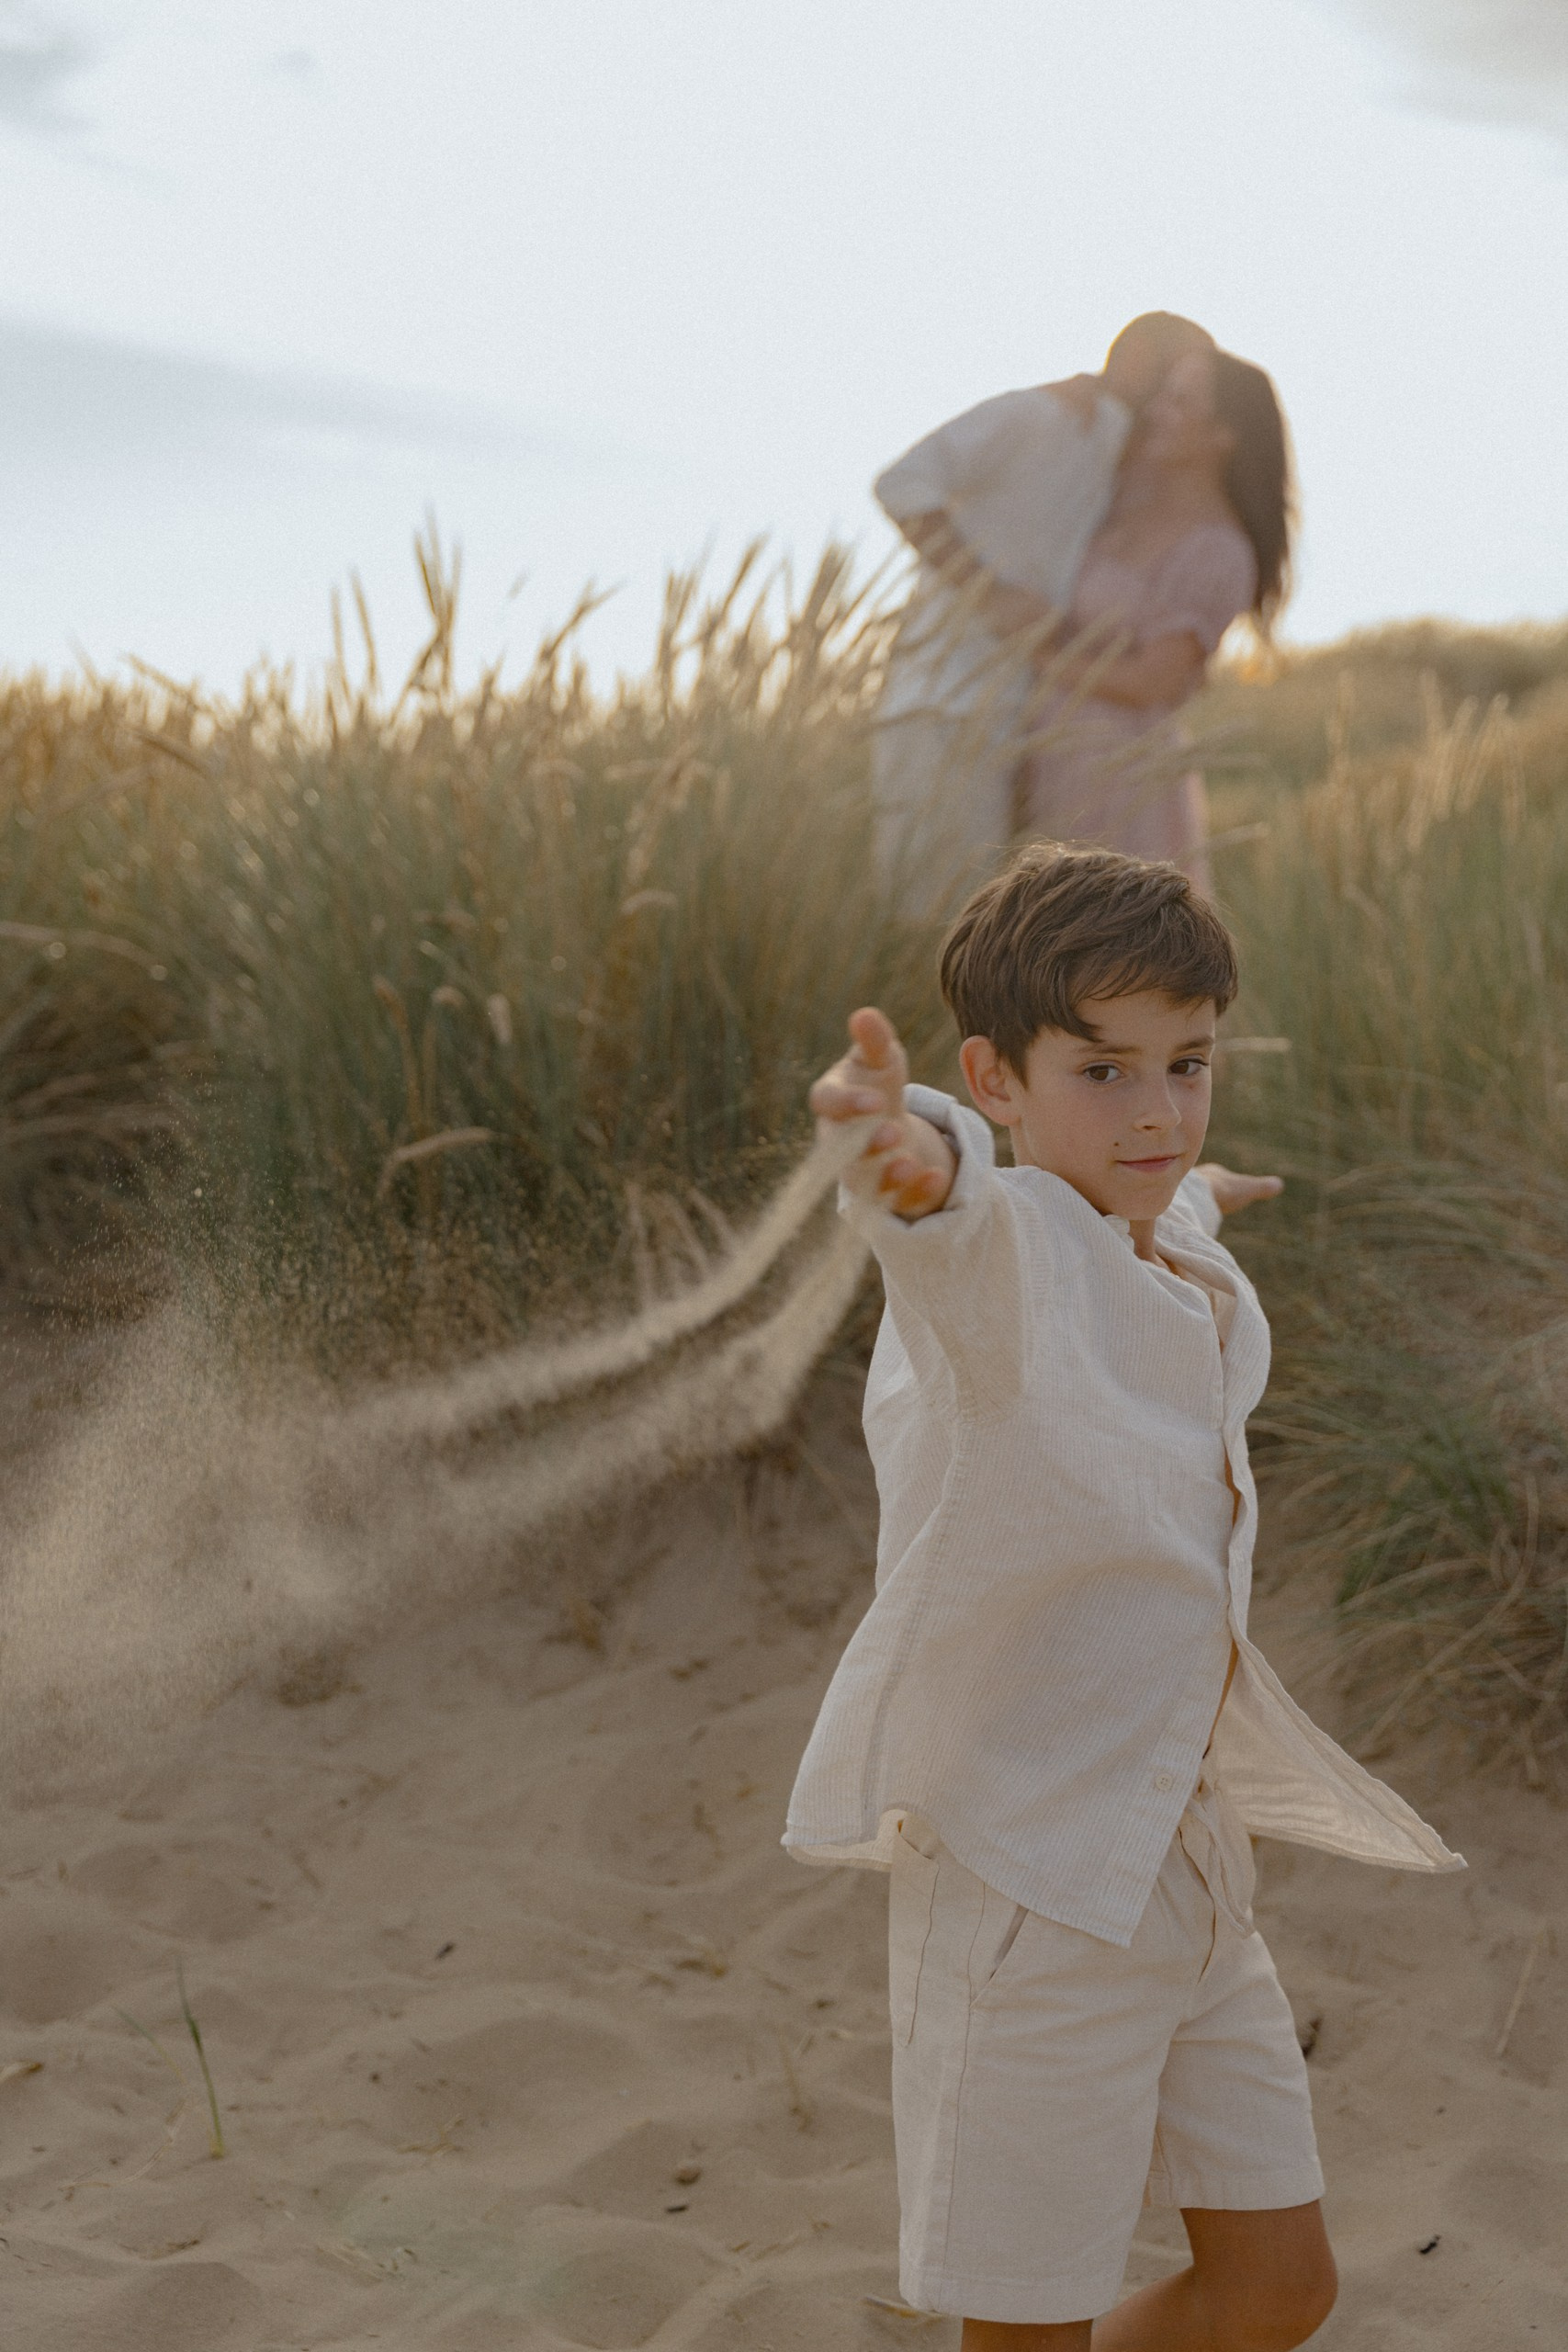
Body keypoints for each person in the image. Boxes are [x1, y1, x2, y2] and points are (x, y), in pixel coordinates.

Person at [786, 844, 1463, 2346]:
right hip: (1032, 1892)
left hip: (1189, 1877)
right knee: (1026, 2327)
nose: (1155, 1109)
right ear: (998, 1075)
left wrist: (1204, 1187)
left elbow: (1168, 1204)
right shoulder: (1005, 1253)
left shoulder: (1152, 1229)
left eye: (1188, 1064)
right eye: (1102, 1070)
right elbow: (955, 1211)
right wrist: (912, 1154)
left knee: (1280, 2287)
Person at [872, 314, 1215, 902]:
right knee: (937, 915)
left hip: (1024, 722)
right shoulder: (1029, 414)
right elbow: (901, 484)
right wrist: (990, 592)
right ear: (1135, 359)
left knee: (1001, 926)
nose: (1174, 406)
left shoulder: (1116, 448)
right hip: (940, 705)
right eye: (1173, 384)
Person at [1016, 348, 1293, 896]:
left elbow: (1156, 680)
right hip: (1043, 752)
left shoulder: (1217, 549)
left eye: (1180, 400)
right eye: (1164, 392)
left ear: (1223, 435)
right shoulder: (1127, 491)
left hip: (1118, 776)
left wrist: (1031, 650)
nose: (1159, 409)